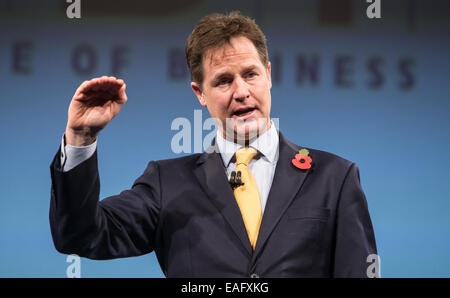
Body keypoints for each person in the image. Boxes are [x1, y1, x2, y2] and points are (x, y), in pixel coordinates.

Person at [49, 11, 377, 278]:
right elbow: (81, 235)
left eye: (250, 74)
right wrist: (81, 137)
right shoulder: (168, 184)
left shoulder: (335, 178)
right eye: (223, 80)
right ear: (200, 93)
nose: (241, 91)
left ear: (269, 75)